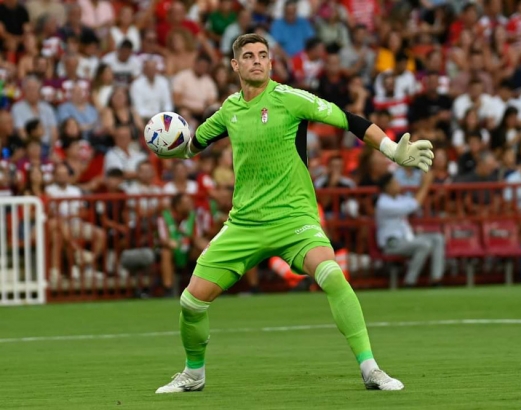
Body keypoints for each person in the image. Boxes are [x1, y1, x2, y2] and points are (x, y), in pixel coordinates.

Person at [155, 33, 434, 394]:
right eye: (248, 56)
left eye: (263, 55)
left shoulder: (291, 99)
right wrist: (170, 148)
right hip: (244, 224)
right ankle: (193, 375)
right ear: (235, 65)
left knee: (332, 275)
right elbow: (191, 147)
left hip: (294, 219)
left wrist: (393, 150)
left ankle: (371, 369)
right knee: (191, 302)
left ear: (271, 63)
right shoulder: (229, 110)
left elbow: (349, 120)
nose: (257, 61)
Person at [375, 170, 444, 287]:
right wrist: (426, 184)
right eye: (395, 182)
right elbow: (414, 205)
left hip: (407, 239)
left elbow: (414, 202)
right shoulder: (383, 203)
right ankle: (409, 281)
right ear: (387, 187)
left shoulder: (398, 199)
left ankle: (436, 278)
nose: (398, 184)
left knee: (437, 238)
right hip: (392, 243)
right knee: (424, 244)